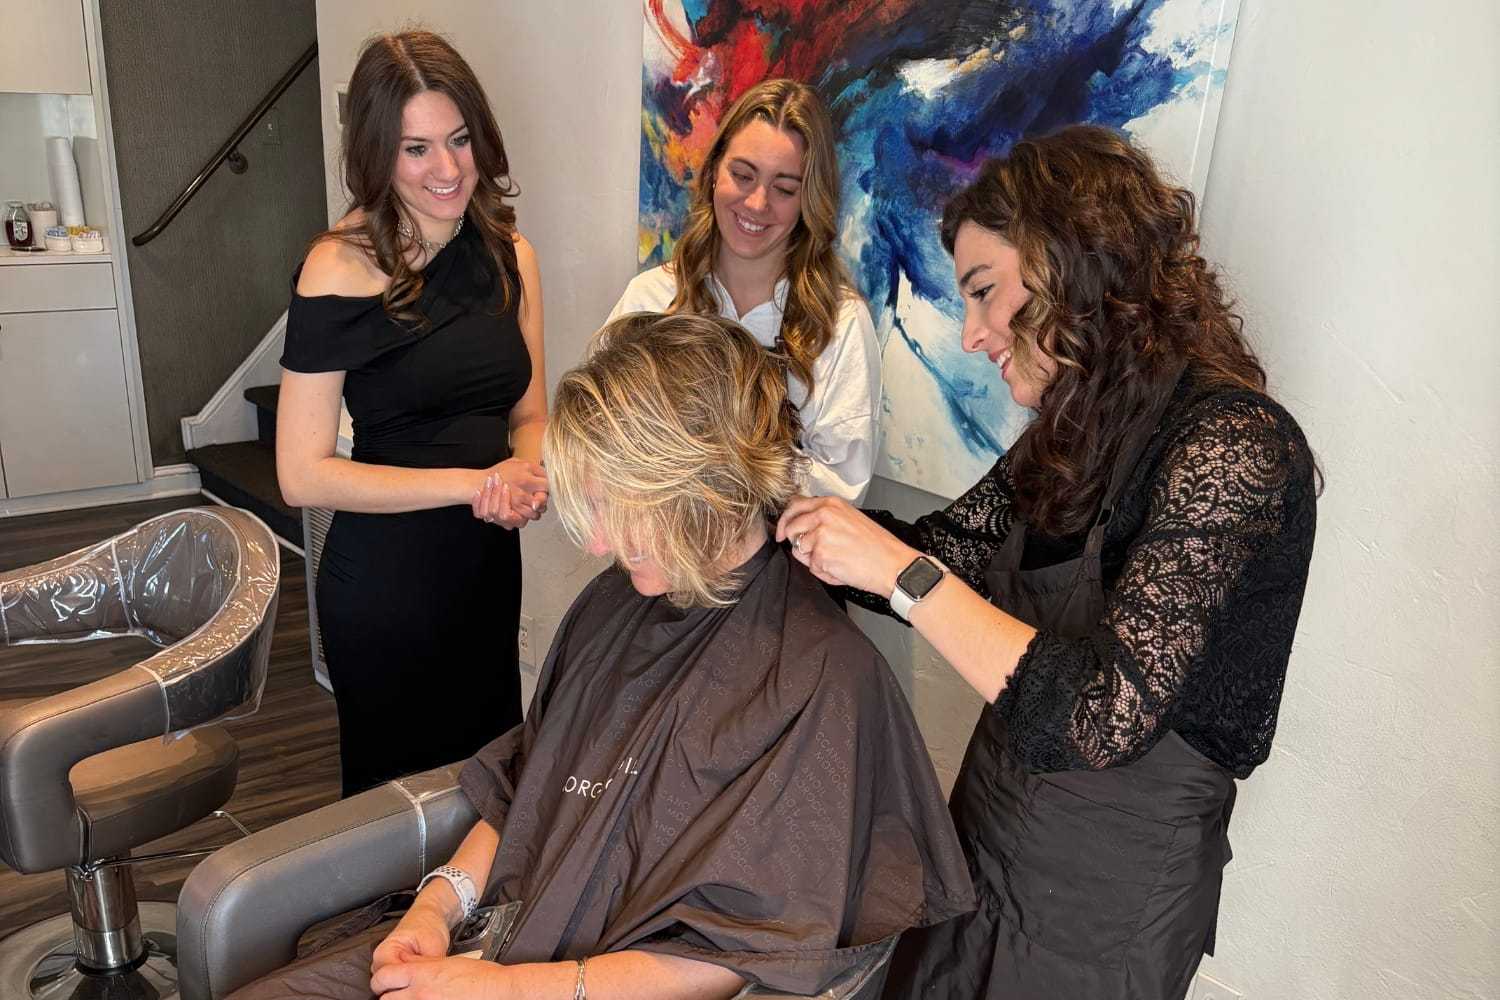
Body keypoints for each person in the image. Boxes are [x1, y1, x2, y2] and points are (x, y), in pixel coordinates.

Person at [231, 312, 974, 1000]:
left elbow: (749, 951)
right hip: (500, 935)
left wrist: (514, 992)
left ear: (703, 489)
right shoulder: (616, 601)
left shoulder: (821, 677)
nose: (595, 543)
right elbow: (535, 781)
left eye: (619, 507)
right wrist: (439, 903)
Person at [776, 126, 1319, 1000]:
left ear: (1072, 263)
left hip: (1107, 905)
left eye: (985, 292)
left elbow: (1105, 713)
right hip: (984, 838)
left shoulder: (1233, 444)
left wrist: (899, 576)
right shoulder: (1071, 433)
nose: (971, 334)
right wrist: (773, 518)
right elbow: (944, 552)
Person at [276, 31, 548, 797]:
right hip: (385, 587)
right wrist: (475, 484)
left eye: (459, 140)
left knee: (487, 790)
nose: (449, 169)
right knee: (393, 814)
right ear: (378, 155)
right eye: (417, 149)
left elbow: (530, 412)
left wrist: (526, 471)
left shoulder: (511, 255)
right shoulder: (337, 267)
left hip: (484, 570)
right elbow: (301, 475)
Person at [611, 78, 882, 504]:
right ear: (713, 173)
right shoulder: (650, 298)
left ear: (809, 200)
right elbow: (601, 434)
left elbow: (840, 493)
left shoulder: (840, 323)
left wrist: (720, 457)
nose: (757, 203)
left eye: (784, 189)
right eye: (742, 175)